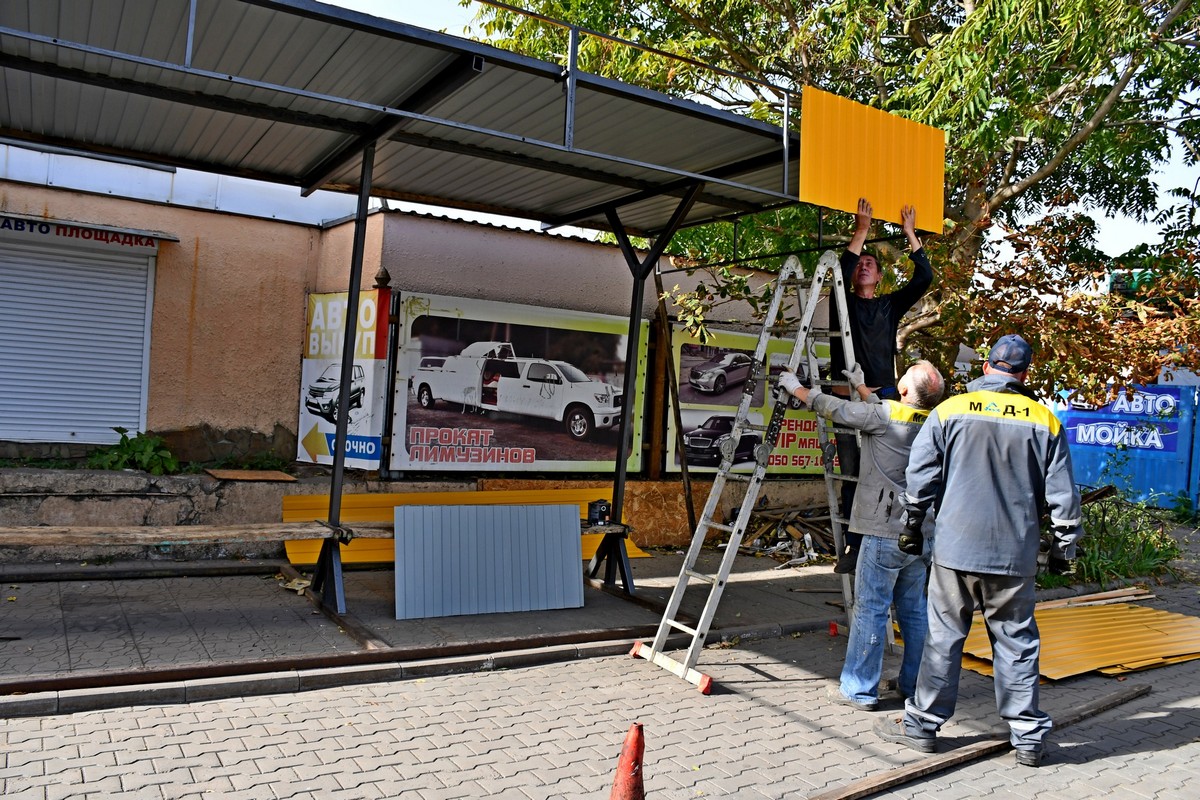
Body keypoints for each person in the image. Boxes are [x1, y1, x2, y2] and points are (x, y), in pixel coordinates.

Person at [873, 334, 1085, 768]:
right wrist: (1066, 546)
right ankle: (1027, 738)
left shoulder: (950, 410)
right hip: (1013, 554)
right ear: (1024, 374)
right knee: (1017, 644)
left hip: (955, 549)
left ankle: (923, 726)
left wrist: (912, 524)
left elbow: (921, 474)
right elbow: (1064, 494)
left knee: (944, 638)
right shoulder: (1044, 420)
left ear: (986, 368)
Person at [780, 359, 945, 711]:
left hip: (883, 530)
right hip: (921, 532)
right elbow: (883, 412)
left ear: (902, 390)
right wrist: (861, 386)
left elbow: (835, 409)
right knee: (914, 613)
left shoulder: (884, 417)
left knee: (871, 609)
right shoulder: (935, 422)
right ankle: (912, 684)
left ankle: (859, 689)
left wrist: (796, 387)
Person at [829, 199, 933, 574]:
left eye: (870, 263)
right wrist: (861, 230)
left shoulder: (889, 306)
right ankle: (854, 548)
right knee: (854, 474)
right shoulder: (840, 305)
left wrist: (910, 234)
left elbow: (924, 280)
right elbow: (841, 269)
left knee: (885, 476)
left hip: (885, 399)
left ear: (880, 276)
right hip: (850, 398)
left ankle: (885, 542)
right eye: (860, 263)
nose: (864, 265)